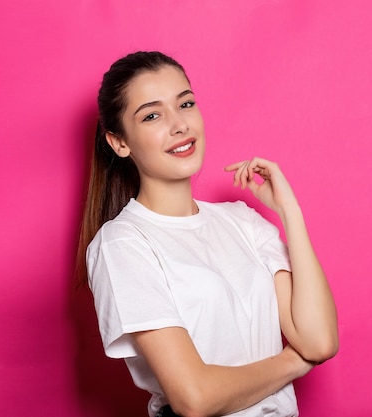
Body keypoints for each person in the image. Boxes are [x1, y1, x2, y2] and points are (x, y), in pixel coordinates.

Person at [77, 51, 338, 417]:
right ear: (119, 142)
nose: (179, 124)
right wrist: (293, 363)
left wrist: (289, 212)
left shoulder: (242, 221)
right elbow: (195, 398)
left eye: (185, 104)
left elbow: (319, 340)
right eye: (152, 115)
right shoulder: (123, 243)